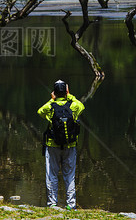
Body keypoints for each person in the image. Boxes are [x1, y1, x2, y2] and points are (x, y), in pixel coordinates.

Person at [37, 79, 85, 210]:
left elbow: (40, 111)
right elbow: (81, 106)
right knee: (69, 176)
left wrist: (52, 100)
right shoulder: (73, 106)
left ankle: (52, 204)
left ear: (54, 92)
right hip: (70, 146)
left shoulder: (50, 107)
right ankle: (71, 205)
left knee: (51, 174)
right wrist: (70, 95)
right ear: (66, 91)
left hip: (52, 145)